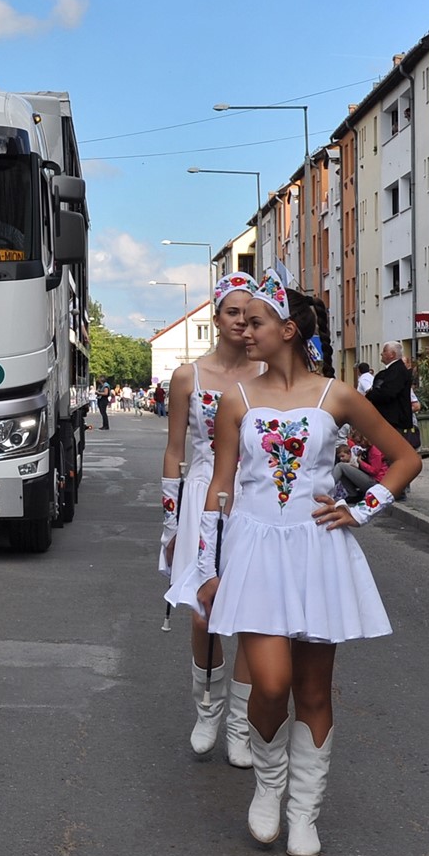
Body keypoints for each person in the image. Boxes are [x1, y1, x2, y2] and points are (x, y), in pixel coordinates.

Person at [189, 274, 419, 856]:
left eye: (256, 322)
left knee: (314, 690)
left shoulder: (335, 395)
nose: (245, 332)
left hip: (317, 551)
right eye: (241, 323)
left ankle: (304, 813)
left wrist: (361, 509)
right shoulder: (236, 400)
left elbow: (404, 458)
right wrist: (206, 566)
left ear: (288, 330)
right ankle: (269, 788)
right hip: (255, 550)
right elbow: (220, 486)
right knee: (270, 683)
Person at [161, 274, 265, 767]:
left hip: (255, 496)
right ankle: (207, 709)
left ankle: (240, 726)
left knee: (249, 613)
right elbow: (174, 451)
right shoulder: (188, 377)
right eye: (232, 312)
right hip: (203, 493)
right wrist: (170, 525)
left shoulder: (268, 372)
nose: (242, 321)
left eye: (250, 313)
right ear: (217, 318)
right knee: (203, 612)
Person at [365, 342, 417, 451]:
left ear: (392, 354)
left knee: (393, 451)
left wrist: (371, 394)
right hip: (392, 420)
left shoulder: (396, 370)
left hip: (395, 420)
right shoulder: (393, 370)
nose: (381, 354)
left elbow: (388, 393)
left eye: (384, 351)